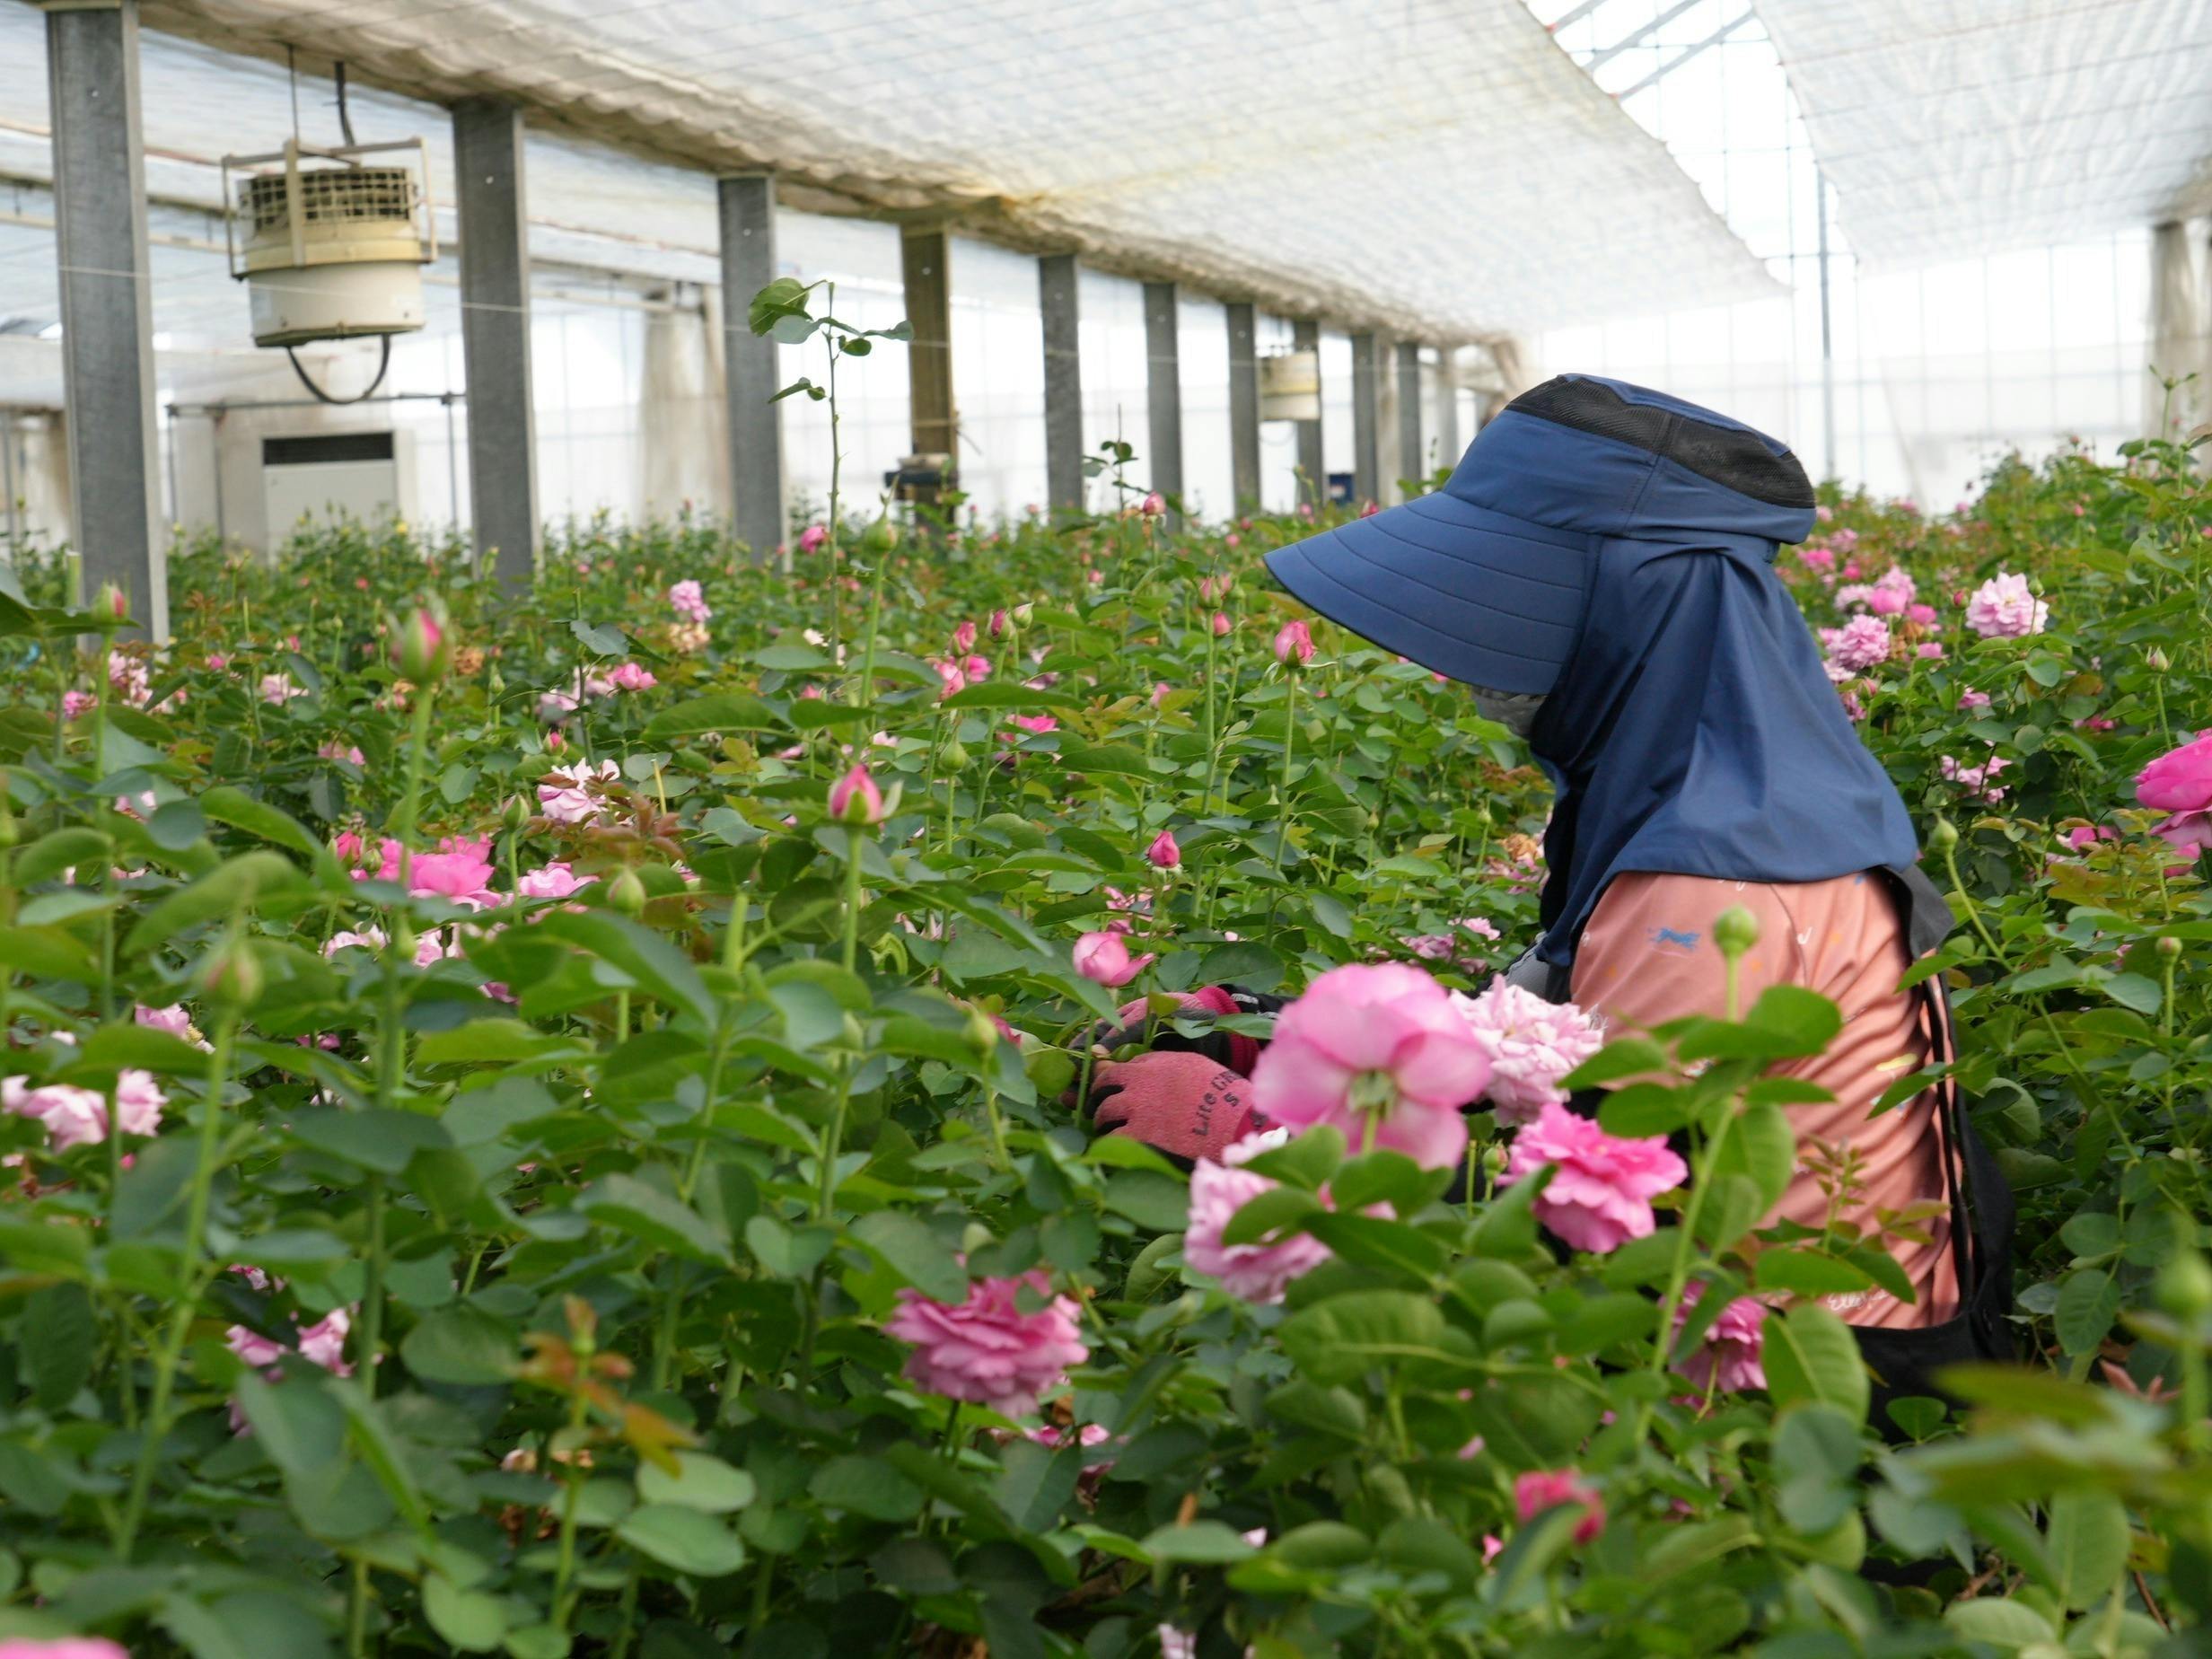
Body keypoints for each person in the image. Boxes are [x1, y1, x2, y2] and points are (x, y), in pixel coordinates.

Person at [1081, 374, 2012, 1408]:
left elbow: (1597, 1229)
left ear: (1629, 613)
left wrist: (1251, 1136)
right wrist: (1295, 1040)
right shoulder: (1755, 791)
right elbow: (1565, 1061)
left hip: (1795, 1407)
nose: (1478, 668)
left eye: (1518, 603)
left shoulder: (1703, 894)